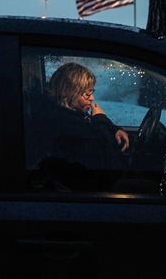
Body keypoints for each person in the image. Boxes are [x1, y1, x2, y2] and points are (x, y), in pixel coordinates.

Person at [27, 62, 130, 190]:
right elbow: (104, 162)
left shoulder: (72, 114)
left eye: (92, 92)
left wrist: (113, 129)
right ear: (70, 93)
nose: (92, 98)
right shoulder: (62, 123)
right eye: (87, 94)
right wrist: (100, 120)